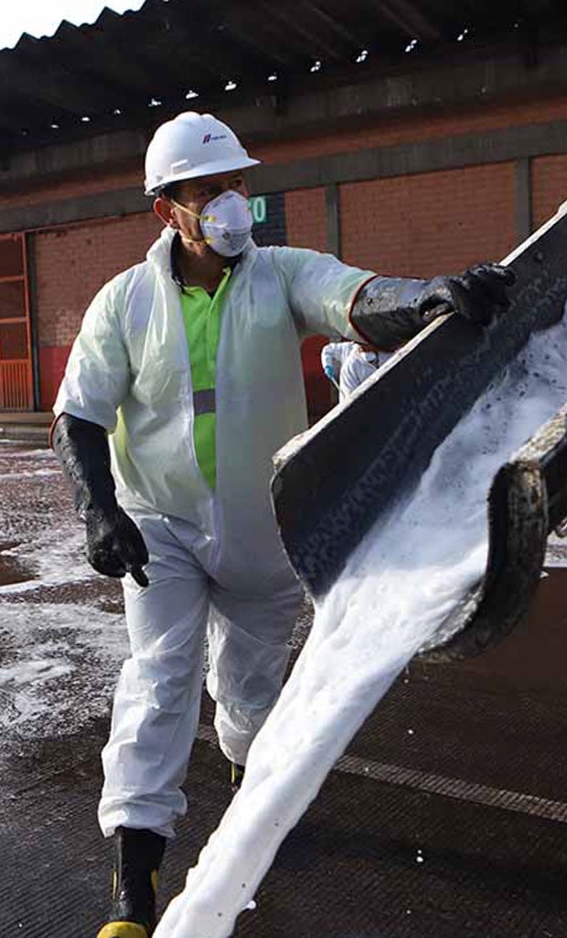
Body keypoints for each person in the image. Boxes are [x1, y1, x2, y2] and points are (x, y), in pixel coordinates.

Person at [50, 111, 513, 938]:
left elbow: (353, 298)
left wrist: (428, 297)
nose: (231, 205)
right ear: (168, 209)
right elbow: (78, 415)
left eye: (237, 186)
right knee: (159, 683)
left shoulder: (280, 275)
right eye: (209, 191)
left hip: (264, 526)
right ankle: (132, 890)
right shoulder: (122, 303)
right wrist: (99, 510)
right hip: (160, 526)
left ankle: (245, 789)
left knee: (256, 693)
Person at [320, 340, 389, 400]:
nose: (364, 347)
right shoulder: (350, 363)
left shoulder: (386, 355)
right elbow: (328, 350)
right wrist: (327, 365)